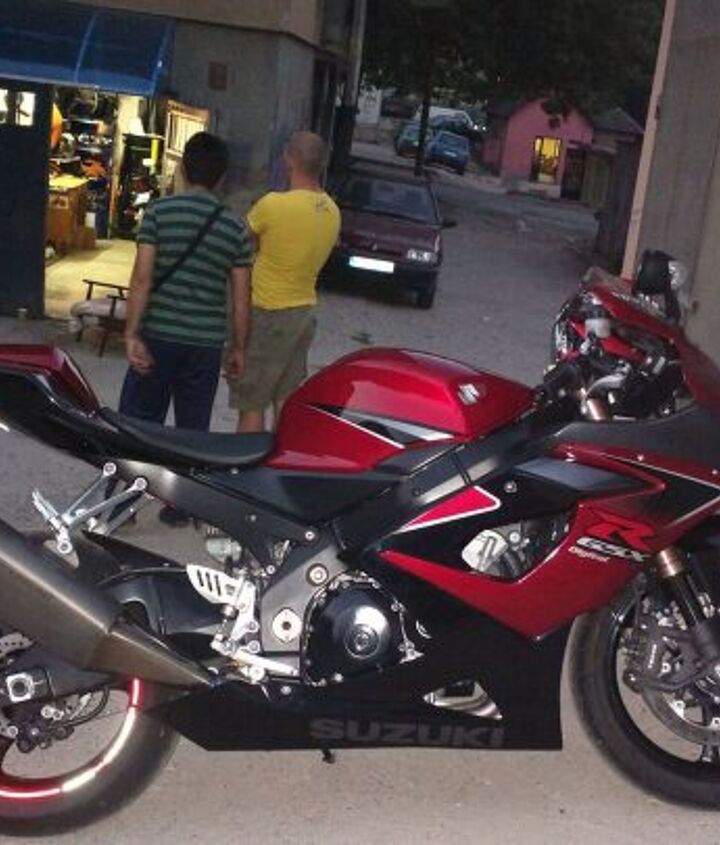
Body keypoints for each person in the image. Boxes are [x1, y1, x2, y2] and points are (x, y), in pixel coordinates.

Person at [119, 132, 252, 522]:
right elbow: (241, 297)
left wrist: (131, 333)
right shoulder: (235, 228)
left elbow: (142, 278)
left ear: (182, 168)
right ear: (222, 177)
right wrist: (238, 348)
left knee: (138, 424)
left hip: (156, 337)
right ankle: (180, 507)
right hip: (204, 345)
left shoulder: (159, 212)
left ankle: (123, 503)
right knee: (192, 430)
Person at [229, 131, 341, 432]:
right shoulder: (332, 211)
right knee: (285, 398)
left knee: (252, 402)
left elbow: (239, 243)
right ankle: (279, 458)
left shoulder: (273, 205)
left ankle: (245, 460)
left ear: (288, 160)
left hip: (267, 312)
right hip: (303, 312)